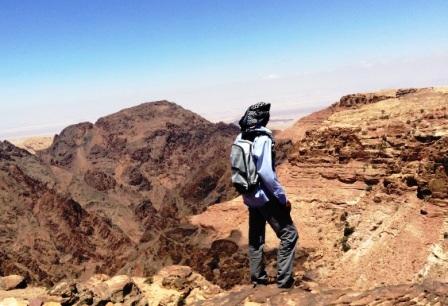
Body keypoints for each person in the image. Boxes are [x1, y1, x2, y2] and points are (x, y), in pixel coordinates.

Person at [237, 102, 298, 288]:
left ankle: (258, 280)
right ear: (264, 118)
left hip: (249, 197)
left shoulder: (240, 137)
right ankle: (284, 281)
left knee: (256, 239)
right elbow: (267, 175)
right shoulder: (263, 138)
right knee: (289, 234)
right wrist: (282, 198)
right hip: (265, 197)